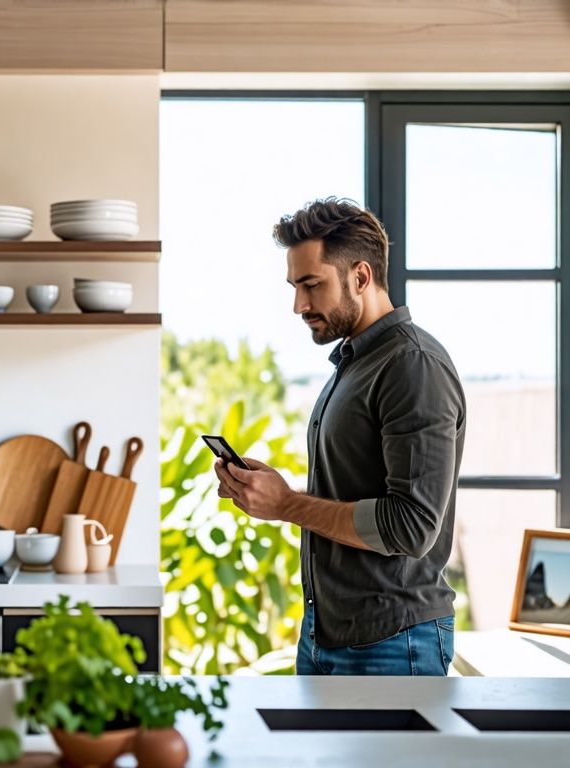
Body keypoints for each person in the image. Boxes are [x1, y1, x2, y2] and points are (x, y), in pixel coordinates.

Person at [213, 197, 466, 676]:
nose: (298, 305)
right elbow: (356, 498)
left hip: (392, 641)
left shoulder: (411, 366)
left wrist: (287, 507)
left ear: (361, 277)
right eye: (294, 287)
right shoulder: (355, 364)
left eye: (311, 285)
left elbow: (410, 525)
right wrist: (278, 494)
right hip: (327, 633)